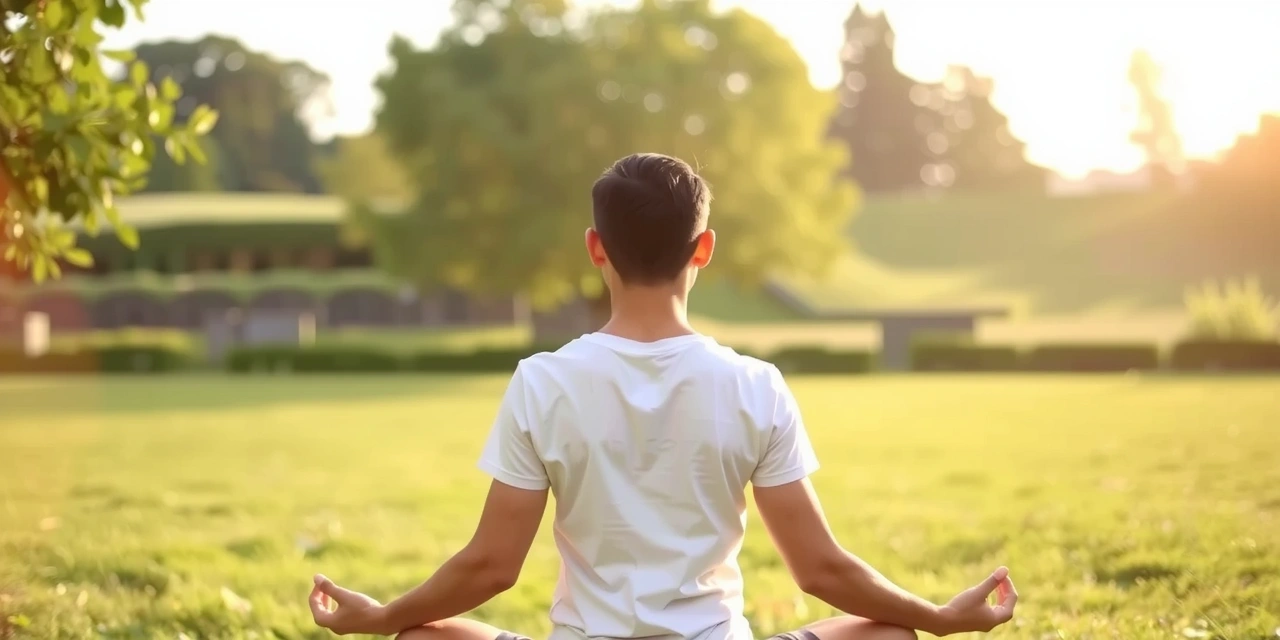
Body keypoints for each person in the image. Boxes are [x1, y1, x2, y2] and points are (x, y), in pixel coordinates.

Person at [307, 153, 1018, 640]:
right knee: (889, 634)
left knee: (423, 635)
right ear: (702, 249)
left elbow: (492, 566)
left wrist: (382, 617)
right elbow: (820, 569)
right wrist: (937, 616)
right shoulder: (752, 384)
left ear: (595, 248)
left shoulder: (543, 381)